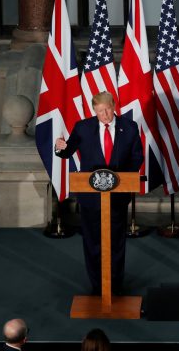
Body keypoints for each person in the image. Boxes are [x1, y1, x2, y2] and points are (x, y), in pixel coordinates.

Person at [55, 91, 143, 295]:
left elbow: (137, 157)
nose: (104, 115)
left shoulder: (129, 128)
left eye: (107, 109)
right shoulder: (83, 127)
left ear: (114, 105)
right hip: (90, 198)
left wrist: (120, 179)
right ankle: (97, 286)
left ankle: (115, 285)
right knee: (93, 241)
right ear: (94, 111)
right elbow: (67, 151)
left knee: (116, 242)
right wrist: (60, 147)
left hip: (117, 196)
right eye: (99, 111)